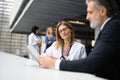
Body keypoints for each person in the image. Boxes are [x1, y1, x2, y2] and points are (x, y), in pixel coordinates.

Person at [39, 0, 120, 79]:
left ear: (102, 11)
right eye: (60, 31)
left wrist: (55, 63)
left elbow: (90, 64)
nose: (87, 17)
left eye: (90, 12)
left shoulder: (113, 27)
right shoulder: (108, 28)